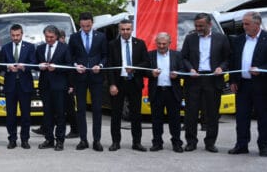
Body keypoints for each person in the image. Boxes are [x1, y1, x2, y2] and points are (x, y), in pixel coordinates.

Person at [180, 12, 230, 152]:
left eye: (201, 26)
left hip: (213, 79)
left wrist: (221, 68)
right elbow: (184, 58)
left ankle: (210, 143)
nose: (198, 28)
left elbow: (227, 59)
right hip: (194, 80)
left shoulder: (221, 38)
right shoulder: (190, 38)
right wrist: (190, 69)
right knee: (191, 113)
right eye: (196, 26)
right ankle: (191, 142)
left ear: (210, 24)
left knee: (212, 114)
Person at [228, 11, 267, 156]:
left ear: (257, 24)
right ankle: (241, 145)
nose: (244, 26)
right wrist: (233, 80)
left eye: (247, 24)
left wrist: (261, 70)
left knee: (264, 116)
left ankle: (264, 146)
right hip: (242, 85)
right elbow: (233, 61)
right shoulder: (239, 40)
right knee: (241, 116)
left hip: (262, 85)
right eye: (243, 24)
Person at [107, 19, 150, 152]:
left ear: (132, 29)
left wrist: (134, 68)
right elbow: (109, 66)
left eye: (128, 29)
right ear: (119, 30)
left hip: (134, 83)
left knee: (136, 114)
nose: (125, 32)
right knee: (116, 114)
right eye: (123, 29)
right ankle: (115, 142)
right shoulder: (112, 45)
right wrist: (112, 84)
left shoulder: (140, 44)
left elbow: (146, 62)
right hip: (118, 83)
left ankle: (137, 142)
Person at [68, 12, 108, 152]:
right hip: (80, 78)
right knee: (81, 109)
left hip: (96, 78)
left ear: (92, 23)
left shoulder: (101, 37)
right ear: (80, 24)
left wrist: (100, 66)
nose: (86, 29)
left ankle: (97, 140)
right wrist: (75, 65)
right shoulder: (74, 37)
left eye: (88, 26)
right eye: (83, 26)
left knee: (97, 109)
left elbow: (105, 56)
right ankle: (83, 139)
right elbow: (70, 56)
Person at [36, 25, 72, 151]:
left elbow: (69, 65)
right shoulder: (40, 48)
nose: (48, 39)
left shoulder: (64, 48)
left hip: (59, 86)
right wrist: (39, 66)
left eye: (51, 37)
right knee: (47, 114)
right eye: (46, 37)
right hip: (45, 86)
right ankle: (49, 139)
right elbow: (34, 64)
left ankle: (60, 140)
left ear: (56, 36)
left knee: (60, 114)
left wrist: (56, 67)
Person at [147, 32, 184, 152]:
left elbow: (183, 69)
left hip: (172, 91)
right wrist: (151, 73)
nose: (161, 46)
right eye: (159, 43)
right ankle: (157, 143)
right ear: (155, 43)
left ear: (169, 43)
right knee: (156, 119)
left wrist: (177, 74)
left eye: (164, 44)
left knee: (175, 119)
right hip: (156, 91)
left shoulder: (177, 55)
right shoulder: (150, 55)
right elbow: (143, 70)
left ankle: (176, 143)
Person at [0, 23, 35, 149]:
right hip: (10, 85)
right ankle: (12, 139)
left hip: (25, 85)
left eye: (17, 35)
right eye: (13, 35)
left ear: (22, 34)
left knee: (26, 114)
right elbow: (1, 64)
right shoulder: (5, 48)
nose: (15, 37)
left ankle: (25, 139)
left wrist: (24, 67)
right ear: (10, 35)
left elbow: (34, 63)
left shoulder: (30, 47)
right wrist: (8, 67)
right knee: (11, 114)